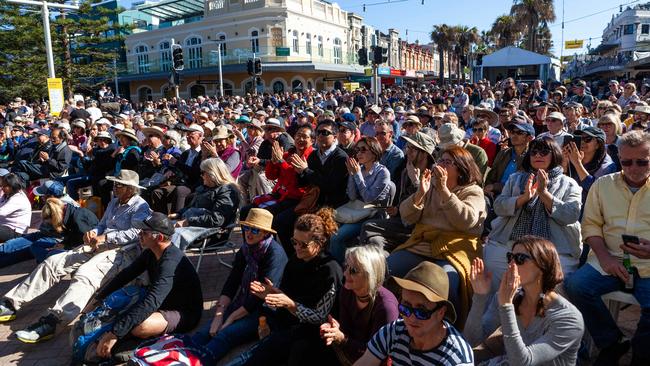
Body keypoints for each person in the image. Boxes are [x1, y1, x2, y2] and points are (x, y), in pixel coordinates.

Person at [0, 170, 151, 343]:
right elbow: (102, 224)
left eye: (119, 185)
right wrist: (93, 232)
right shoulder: (114, 202)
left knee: (85, 274)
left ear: (131, 189)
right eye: (115, 184)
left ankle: (53, 320)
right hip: (98, 245)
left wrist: (106, 237)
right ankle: (11, 303)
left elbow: (135, 234)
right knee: (52, 262)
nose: (115, 187)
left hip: (121, 252)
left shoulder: (141, 206)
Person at [565, 130, 650, 366]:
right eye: (627, 162)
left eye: (642, 161)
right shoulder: (603, 185)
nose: (634, 167)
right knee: (575, 286)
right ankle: (611, 341)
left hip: (648, 265)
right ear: (619, 158)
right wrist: (605, 258)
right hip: (608, 259)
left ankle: (641, 354)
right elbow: (590, 225)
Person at [229, 208, 343, 365]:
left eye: (303, 244)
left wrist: (290, 304)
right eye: (294, 242)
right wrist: (275, 293)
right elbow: (289, 296)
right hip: (287, 326)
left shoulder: (330, 270)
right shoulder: (295, 261)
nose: (297, 248)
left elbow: (320, 317)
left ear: (320, 243)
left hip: (312, 336)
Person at [388, 145, 486, 326]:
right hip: (423, 245)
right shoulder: (430, 186)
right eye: (440, 160)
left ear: (461, 167)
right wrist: (420, 194)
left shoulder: (473, 191)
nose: (440, 165)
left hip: (454, 250)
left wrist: (445, 192)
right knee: (387, 268)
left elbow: (467, 221)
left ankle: (450, 326)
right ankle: (393, 316)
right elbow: (406, 216)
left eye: (448, 162)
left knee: (448, 282)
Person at [93, 213, 203, 360]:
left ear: (160, 238)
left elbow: (152, 301)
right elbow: (125, 275)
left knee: (141, 326)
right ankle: (128, 339)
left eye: (144, 232)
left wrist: (115, 333)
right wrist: (98, 298)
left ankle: (138, 344)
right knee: (124, 309)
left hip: (183, 313)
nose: (139, 234)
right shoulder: (151, 253)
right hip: (162, 303)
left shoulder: (171, 262)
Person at [465, 236, 584, 366]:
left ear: (542, 265)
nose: (511, 265)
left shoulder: (568, 318)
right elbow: (472, 339)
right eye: (510, 257)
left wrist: (506, 307)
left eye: (520, 259)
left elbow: (522, 362)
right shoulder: (510, 297)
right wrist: (480, 296)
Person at [191, 208, 288, 364]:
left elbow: (260, 296)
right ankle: (177, 354)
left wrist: (230, 318)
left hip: (264, 310)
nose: (248, 233)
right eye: (246, 228)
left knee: (225, 335)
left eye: (255, 229)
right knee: (205, 332)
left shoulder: (274, 255)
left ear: (265, 233)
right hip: (243, 301)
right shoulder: (246, 249)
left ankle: (195, 362)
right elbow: (233, 280)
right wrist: (219, 315)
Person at [486, 137, 582, 291]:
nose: (538, 155)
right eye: (534, 152)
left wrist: (544, 194)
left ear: (555, 155)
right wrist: (522, 198)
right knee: (491, 267)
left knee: (555, 284)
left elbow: (571, 215)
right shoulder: (515, 179)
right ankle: (503, 310)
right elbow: (498, 207)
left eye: (544, 152)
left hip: (555, 247)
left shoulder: (568, 183)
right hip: (511, 243)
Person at [353, 261, 473, 366]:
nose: (411, 317)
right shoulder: (394, 331)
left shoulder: (456, 359)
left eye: (421, 311)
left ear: (441, 313)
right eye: (406, 307)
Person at [314, 246, 398, 365]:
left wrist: (343, 339)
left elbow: (378, 355)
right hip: (349, 352)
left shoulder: (385, 307)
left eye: (353, 270)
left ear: (370, 275)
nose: (345, 273)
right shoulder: (347, 291)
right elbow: (346, 329)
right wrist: (334, 329)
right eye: (346, 266)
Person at [360, 131, 436, 251]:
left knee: (368, 226)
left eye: (413, 149)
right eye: (407, 147)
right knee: (374, 238)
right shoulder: (407, 169)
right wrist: (396, 209)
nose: (408, 151)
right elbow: (401, 198)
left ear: (424, 154)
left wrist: (416, 183)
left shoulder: (435, 175)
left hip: (420, 227)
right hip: (402, 221)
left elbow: (427, 208)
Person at [329, 137, 391, 263]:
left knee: (336, 237)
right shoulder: (360, 169)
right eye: (357, 150)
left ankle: (341, 267)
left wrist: (356, 175)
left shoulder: (382, 172)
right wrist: (352, 175)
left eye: (363, 150)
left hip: (372, 214)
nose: (359, 153)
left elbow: (369, 199)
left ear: (374, 152)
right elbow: (352, 196)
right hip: (357, 211)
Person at [0, 197, 97, 269]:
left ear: (55, 217)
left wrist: (65, 245)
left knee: (34, 248)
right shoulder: (65, 213)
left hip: (85, 250)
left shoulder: (78, 217)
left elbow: (85, 242)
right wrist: (64, 244)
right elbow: (73, 236)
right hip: (66, 242)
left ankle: (50, 266)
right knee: (12, 245)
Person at [170, 157, 241, 250]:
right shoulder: (206, 187)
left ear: (213, 174)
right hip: (195, 226)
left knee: (167, 237)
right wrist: (177, 214)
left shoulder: (228, 191)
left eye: (203, 173)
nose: (201, 176)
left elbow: (217, 219)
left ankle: (169, 262)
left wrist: (188, 221)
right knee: (160, 228)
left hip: (211, 234)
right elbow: (192, 207)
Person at [484, 121, 535, 199]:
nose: (514, 135)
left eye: (519, 133)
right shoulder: (503, 153)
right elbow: (491, 176)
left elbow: (521, 187)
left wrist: (495, 186)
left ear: (529, 138)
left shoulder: (532, 158)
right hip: (494, 195)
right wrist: (489, 189)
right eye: (512, 132)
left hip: (515, 199)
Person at [0, 172, 31, 242]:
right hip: (5, 227)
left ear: (12, 186)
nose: (2, 188)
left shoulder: (19, 198)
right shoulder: (7, 195)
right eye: (2, 186)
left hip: (16, 232)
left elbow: (1, 212)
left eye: (5, 186)